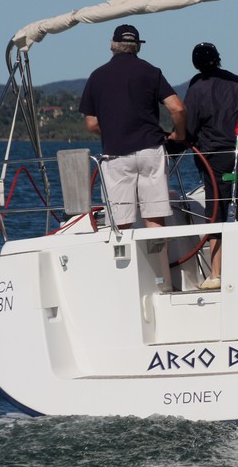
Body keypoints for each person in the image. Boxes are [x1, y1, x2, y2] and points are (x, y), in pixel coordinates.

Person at [79, 24, 187, 288]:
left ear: (112, 44)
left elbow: (91, 124)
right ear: (137, 46)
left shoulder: (97, 76)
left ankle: (126, 284)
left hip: (116, 155)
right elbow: (177, 107)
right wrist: (180, 135)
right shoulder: (150, 71)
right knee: (155, 219)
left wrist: (116, 129)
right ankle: (162, 282)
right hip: (151, 149)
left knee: (122, 223)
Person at [184, 42, 238, 290]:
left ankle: (217, 274)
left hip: (216, 158)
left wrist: (178, 141)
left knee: (216, 213)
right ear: (218, 59)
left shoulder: (196, 88)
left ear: (195, 63)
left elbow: (190, 126)